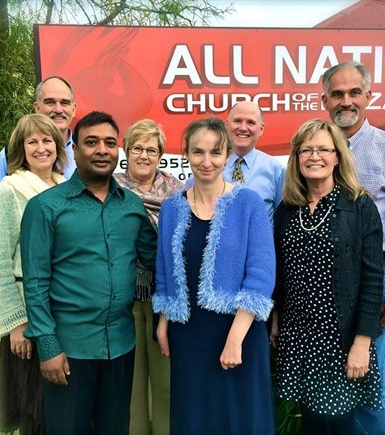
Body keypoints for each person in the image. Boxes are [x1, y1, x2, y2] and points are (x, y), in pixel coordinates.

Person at [20, 111, 157, 435]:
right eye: (91, 142)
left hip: (121, 346)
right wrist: (48, 347)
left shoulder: (131, 206)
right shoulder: (46, 207)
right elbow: (35, 282)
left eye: (110, 143)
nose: (102, 150)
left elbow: (156, 260)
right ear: (75, 149)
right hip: (69, 349)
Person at [322, 60, 385, 435]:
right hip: (317, 285)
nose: (345, 101)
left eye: (354, 93)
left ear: (369, 97)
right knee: (325, 387)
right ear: (325, 100)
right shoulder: (312, 151)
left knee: (366, 385)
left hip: (368, 282)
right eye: (337, 94)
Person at [153, 117, 276, 435]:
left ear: (227, 155)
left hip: (239, 331)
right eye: (197, 152)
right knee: (194, 420)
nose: (206, 161)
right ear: (186, 155)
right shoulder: (171, 208)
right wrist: (164, 321)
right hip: (188, 333)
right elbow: (164, 272)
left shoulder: (248, 203)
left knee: (240, 420)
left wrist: (235, 340)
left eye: (215, 153)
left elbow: (261, 278)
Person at [271, 119, 384, 434]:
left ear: (337, 157)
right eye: (305, 150)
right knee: (311, 419)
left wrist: (362, 341)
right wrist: (277, 316)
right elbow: (280, 270)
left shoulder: (359, 207)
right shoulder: (287, 209)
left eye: (323, 149)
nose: (314, 156)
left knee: (337, 421)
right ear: (296, 158)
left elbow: (374, 279)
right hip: (298, 336)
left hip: (339, 338)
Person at [0, 113, 68, 435]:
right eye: (31, 141)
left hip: (62, 309)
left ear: (57, 145)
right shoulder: (11, 189)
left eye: (47, 140)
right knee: (36, 410)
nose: (41, 148)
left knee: (63, 405)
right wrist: (16, 323)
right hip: (28, 316)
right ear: (21, 148)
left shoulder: (65, 186)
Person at [114, 119, 182, 435]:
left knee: (168, 383)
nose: (144, 155)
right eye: (137, 148)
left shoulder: (178, 192)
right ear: (126, 151)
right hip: (122, 298)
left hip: (164, 297)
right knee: (130, 385)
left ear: (160, 155)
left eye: (151, 150)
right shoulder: (109, 188)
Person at [0, 76, 77, 249]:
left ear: (74, 109)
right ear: (37, 107)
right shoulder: (9, 155)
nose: (58, 109)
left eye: (64, 102)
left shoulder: (86, 154)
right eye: (50, 102)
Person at [224, 101, 285, 221]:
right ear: (227, 125)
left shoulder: (275, 170)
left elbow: (282, 219)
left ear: (261, 129)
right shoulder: (210, 167)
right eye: (237, 121)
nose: (242, 128)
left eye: (250, 122)